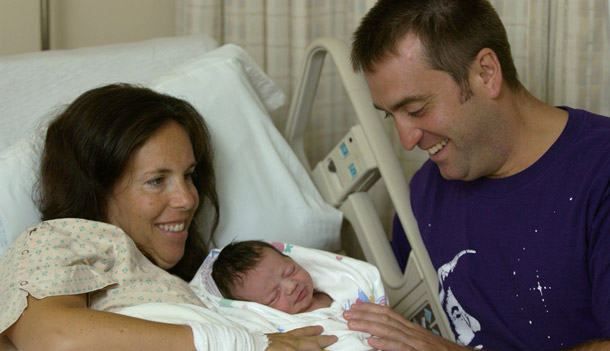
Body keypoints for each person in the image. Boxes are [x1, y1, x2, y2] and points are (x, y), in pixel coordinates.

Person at [344, 0, 610, 351]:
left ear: (486, 73)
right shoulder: (427, 189)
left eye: (416, 109)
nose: (407, 141)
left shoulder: (598, 174)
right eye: (390, 116)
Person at [0, 83, 337, 351]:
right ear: (96, 189)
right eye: (156, 180)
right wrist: (242, 344)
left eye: (189, 175)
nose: (188, 198)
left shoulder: (195, 285)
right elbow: (55, 340)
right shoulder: (57, 239)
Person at [212, 240, 333, 314]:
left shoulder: (333, 289)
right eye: (274, 296)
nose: (291, 286)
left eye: (291, 271)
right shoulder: (290, 332)